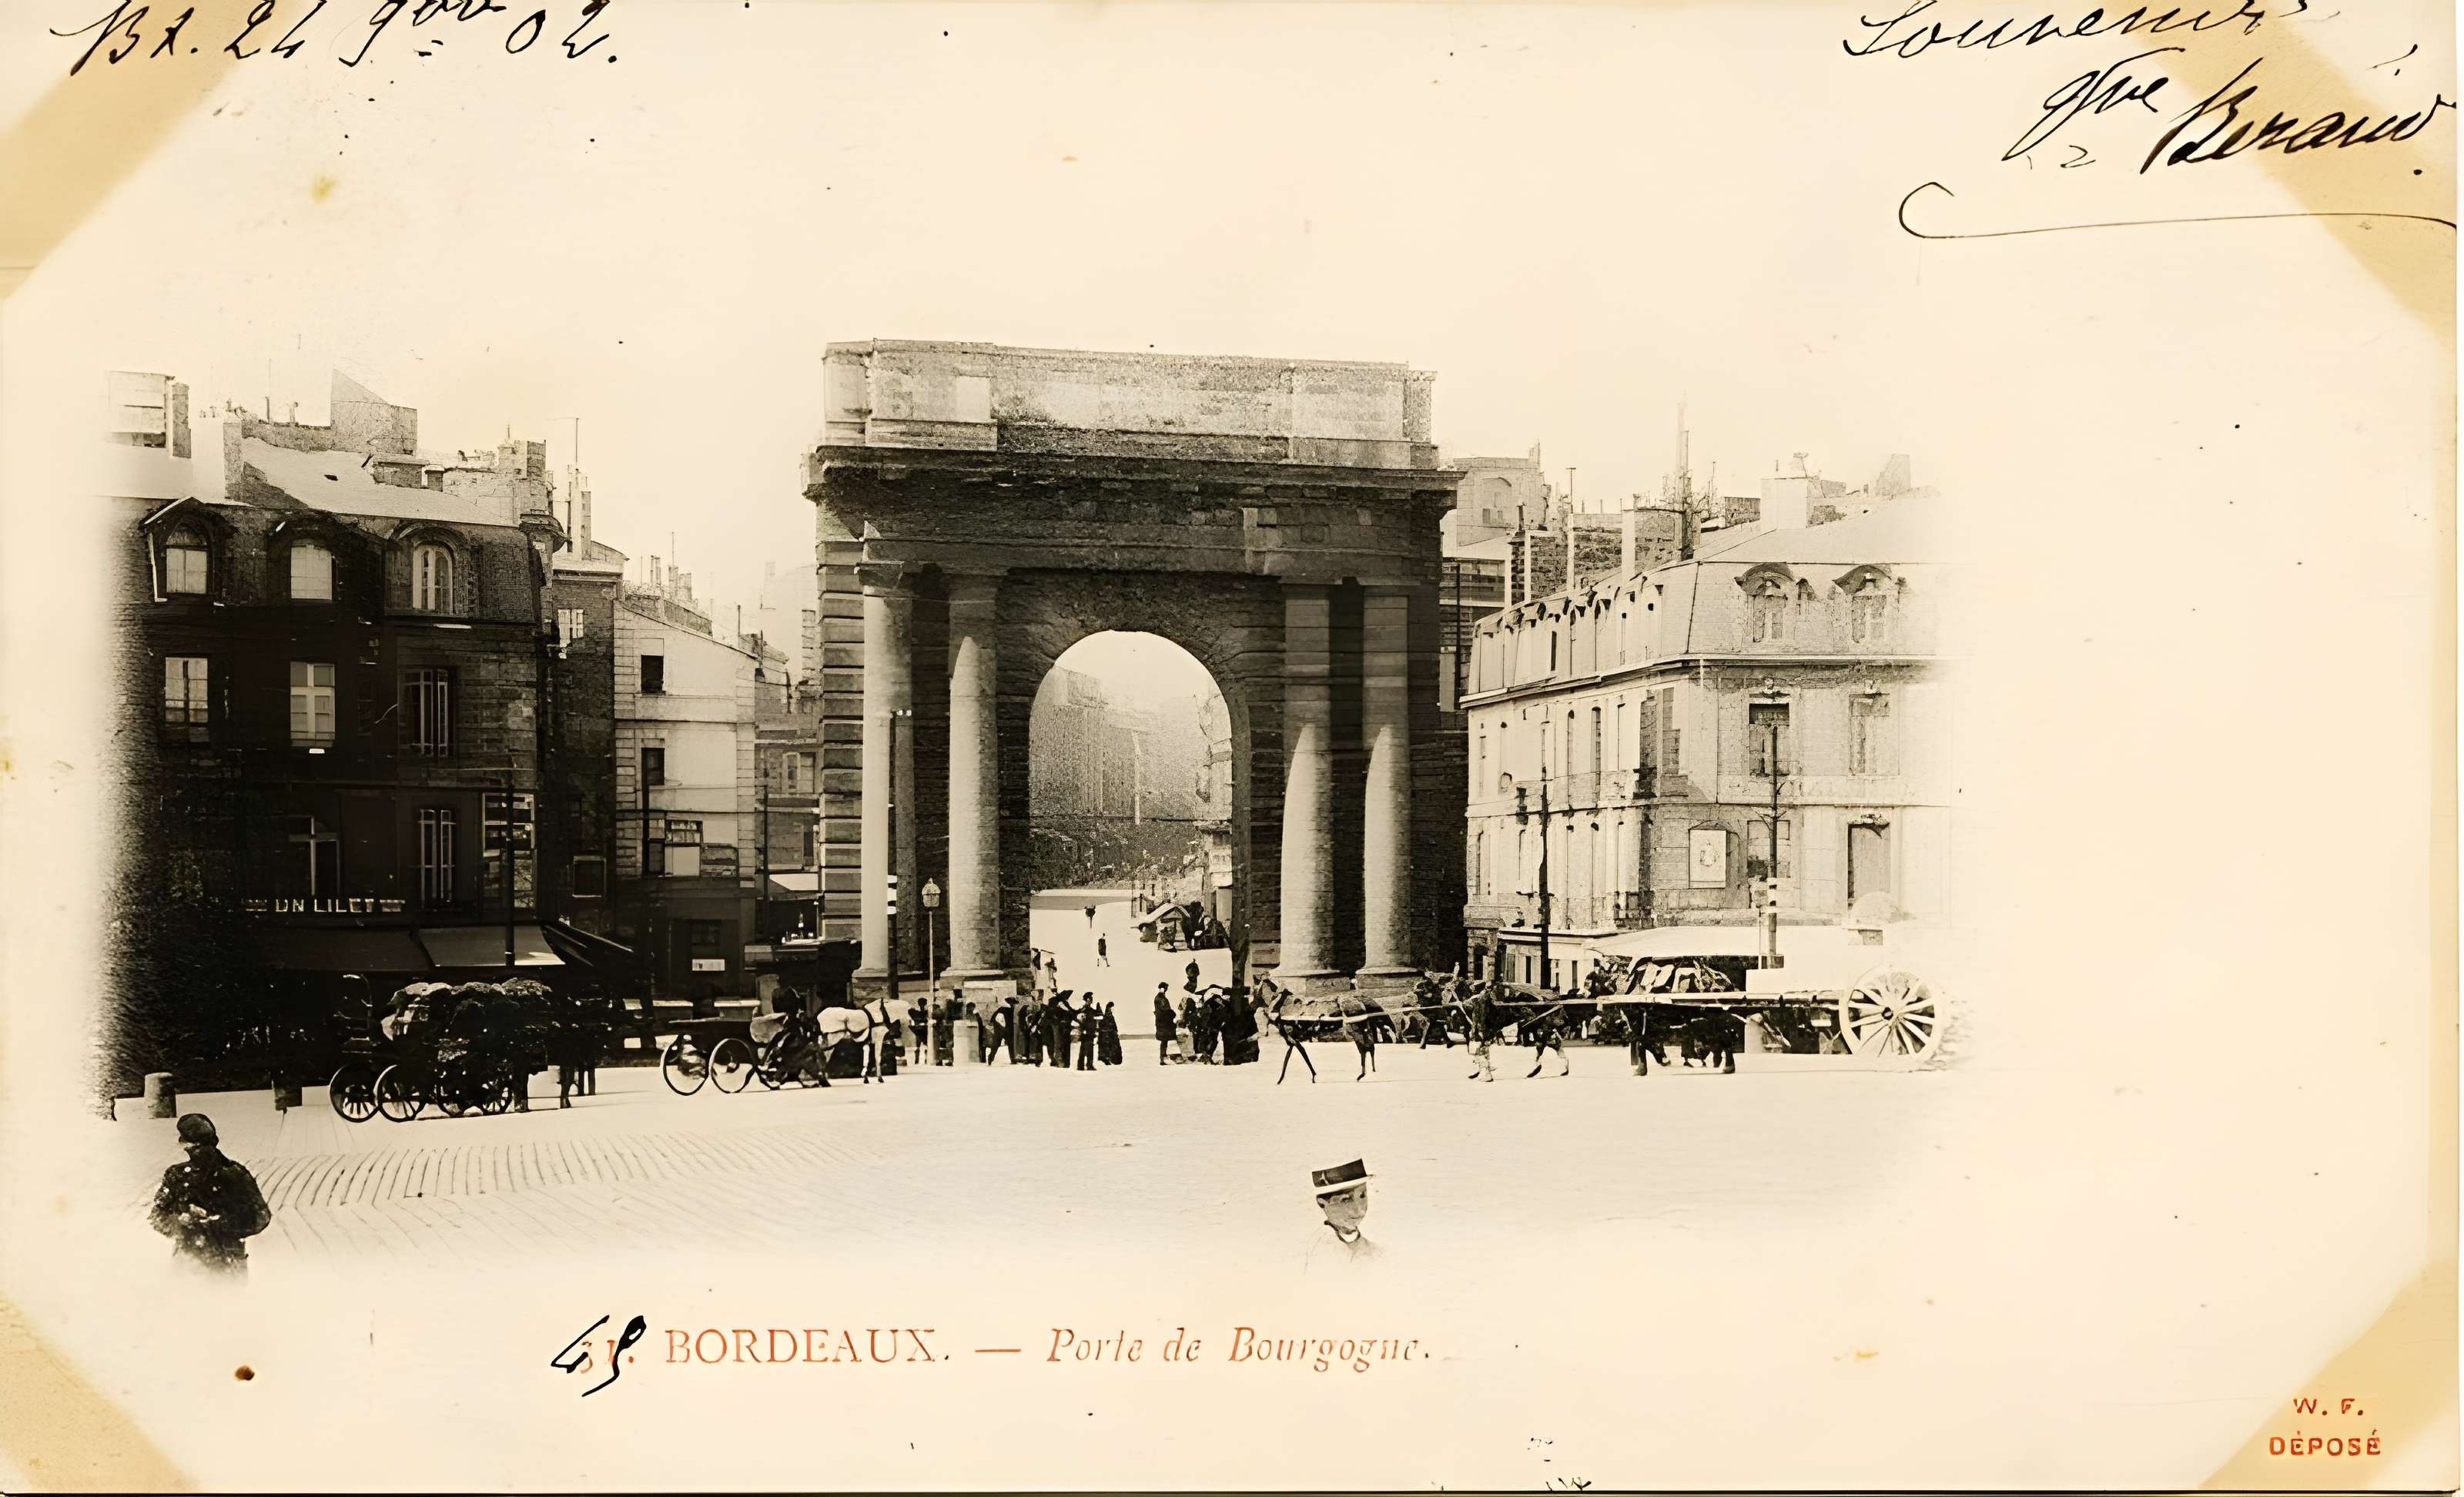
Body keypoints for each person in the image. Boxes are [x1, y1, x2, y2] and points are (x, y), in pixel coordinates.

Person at [150, 1114, 271, 1278]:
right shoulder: (235, 1172)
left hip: (195, 1261)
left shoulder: (178, 1175)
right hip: (226, 1261)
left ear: (186, 1144)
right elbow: (260, 1218)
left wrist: (195, 1224)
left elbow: (158, 1217)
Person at [1304, 1159, 1381, 1271]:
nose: (1359, 1209)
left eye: (1362, 1195)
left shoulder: (1373, 1251)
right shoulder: (1320, 1251)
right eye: (1345, 1199)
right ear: (1322, 1203)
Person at [1270, 987, 1317, 1085]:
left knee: (1295, 1052)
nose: (1299, 1005)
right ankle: (1312, 1072)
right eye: (1298, 1004)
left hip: (1292, 1034)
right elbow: (1279, 1022)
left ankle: (1283, 1076)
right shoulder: (1286, 1011)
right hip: (1289, 1034)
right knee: (1298, 1051)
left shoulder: (1294, 1013)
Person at [1465, 980, 1498, 1082]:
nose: (1472, 988)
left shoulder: (1482, 999)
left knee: (1482, 1049)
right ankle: (1480, 1069)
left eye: (1474, 987)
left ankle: (1487, 1074)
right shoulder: (1481, 998)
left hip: (1482, 1028)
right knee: (1479, 1049)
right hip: (1481, 1027)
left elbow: (1482, 1016)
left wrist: (1481, 1029)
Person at [1153, 983, 1177, 1065]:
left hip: (1163, 1022)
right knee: (1164, 1040)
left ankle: (1163, 1058)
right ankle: (1163, 1058)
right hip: (1163, 1022)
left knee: (1165, 1041)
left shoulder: (1161, 998)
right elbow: (1165, 1009)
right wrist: (1172, 1014)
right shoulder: (1161, 999)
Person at [1076, 994, 1101, 1071]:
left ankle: (1089, 1065)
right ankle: (1081, 1066)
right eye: (1089, 999)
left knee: (1090, 1049)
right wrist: (1083, 1029)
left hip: (1091, 1032)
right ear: (1086, 1000)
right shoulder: (1083, 1010)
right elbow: (1079, 1019)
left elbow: (1100, 1015)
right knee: (1083, 1049)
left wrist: (1098, 1008)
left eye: (1091, 999)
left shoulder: (1092, 1010)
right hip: (1085, 1032)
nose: (1091, 1000)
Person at [1098, 1002, 1123, 1067]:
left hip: (1113, 1036)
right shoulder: (1105, 1017)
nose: (1112, 1010)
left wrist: (1115, 1032)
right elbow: (1103, 1027)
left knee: (1114, 1049)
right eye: (1111, 1009)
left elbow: (1114, 1027)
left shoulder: (1111, 1017)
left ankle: (1115, 1060)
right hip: (1107, 1037)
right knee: (1107, 1049)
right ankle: (1107, 1060)